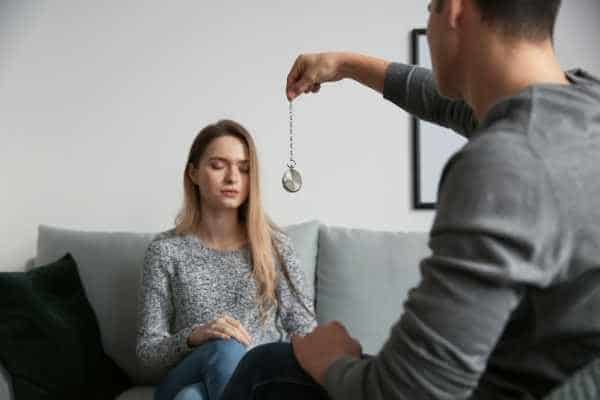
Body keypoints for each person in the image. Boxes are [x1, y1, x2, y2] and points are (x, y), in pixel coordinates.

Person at [220, 0, 600, 399]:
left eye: (430, 7)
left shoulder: (507, 163)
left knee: (266, 367)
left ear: (454, 10)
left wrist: (330, 359)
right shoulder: (580, 112)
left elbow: (406, 393)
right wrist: (345, 65)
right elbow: (444, 102)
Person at [135, 119, 317, 400]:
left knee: (190, 399)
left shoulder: (275, 247)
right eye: (218, 166)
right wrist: (196, 335)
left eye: (244, 169)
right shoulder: (166, 250)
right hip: (190, 369)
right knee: (226, 347)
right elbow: (147, 357)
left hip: (259, 380)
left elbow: (306, 336)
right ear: (194, 173)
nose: (233, 178)